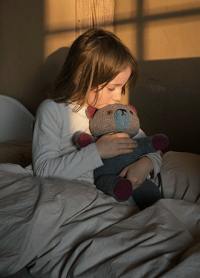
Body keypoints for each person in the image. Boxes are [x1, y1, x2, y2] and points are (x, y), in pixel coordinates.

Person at [30, 28, 162, 201]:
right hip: (77, 196)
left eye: (121, 88)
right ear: (82, 77)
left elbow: (151, 148)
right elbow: (42, 170)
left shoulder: (111, 111)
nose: (118, 96)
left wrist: (146, 165)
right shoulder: (53, 110)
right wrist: (98, 151)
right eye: (111, 88)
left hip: (120, 194)